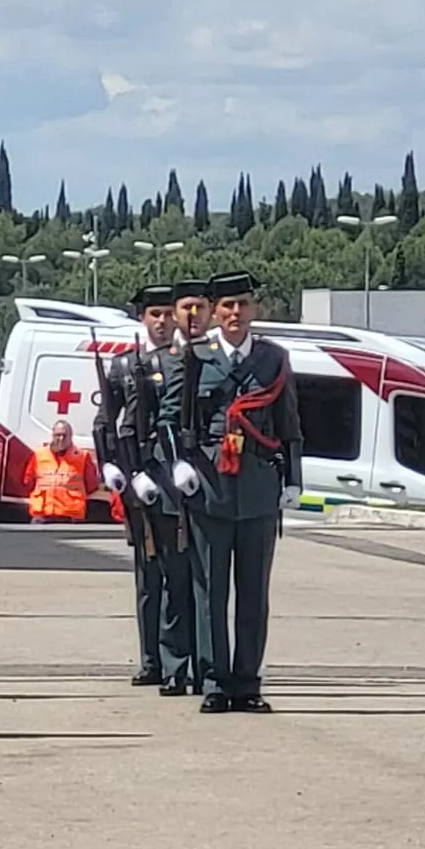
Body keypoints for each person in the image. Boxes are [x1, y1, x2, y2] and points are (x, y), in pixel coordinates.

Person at [163, 272, 301, 715]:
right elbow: (171, 418)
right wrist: (178, 465)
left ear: (254, 308)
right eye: (227, 307)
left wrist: (293, 480)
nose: (235, 313)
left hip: (259, 489)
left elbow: (288, 424)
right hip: (210, 487)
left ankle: (247, 682)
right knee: (210, 592)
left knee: (253, 593)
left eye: (242, 304)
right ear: (214, 312)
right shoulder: (197, 357)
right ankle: (214, 682)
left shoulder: (273, 360)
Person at [97, 282, 196, 693]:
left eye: (167, 313)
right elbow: (107, 419)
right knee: (147, 576)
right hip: (138, 480)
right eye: (154, 314)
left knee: (177, 573)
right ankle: (150, 659)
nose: (162, 321)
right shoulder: (123, 366)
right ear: (142, 318)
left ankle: (177, 663)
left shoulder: (185, 362)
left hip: (174, 479)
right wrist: (109, 464)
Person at [28, 420, 98, 524]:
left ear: (71, 436)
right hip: (42, 515)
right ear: (52, 435)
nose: (61, 439)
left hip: (70, 516)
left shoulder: (82, 456)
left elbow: (92, 485)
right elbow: (28, 482)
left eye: (64, 435)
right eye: (57, 435)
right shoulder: (39, 455)